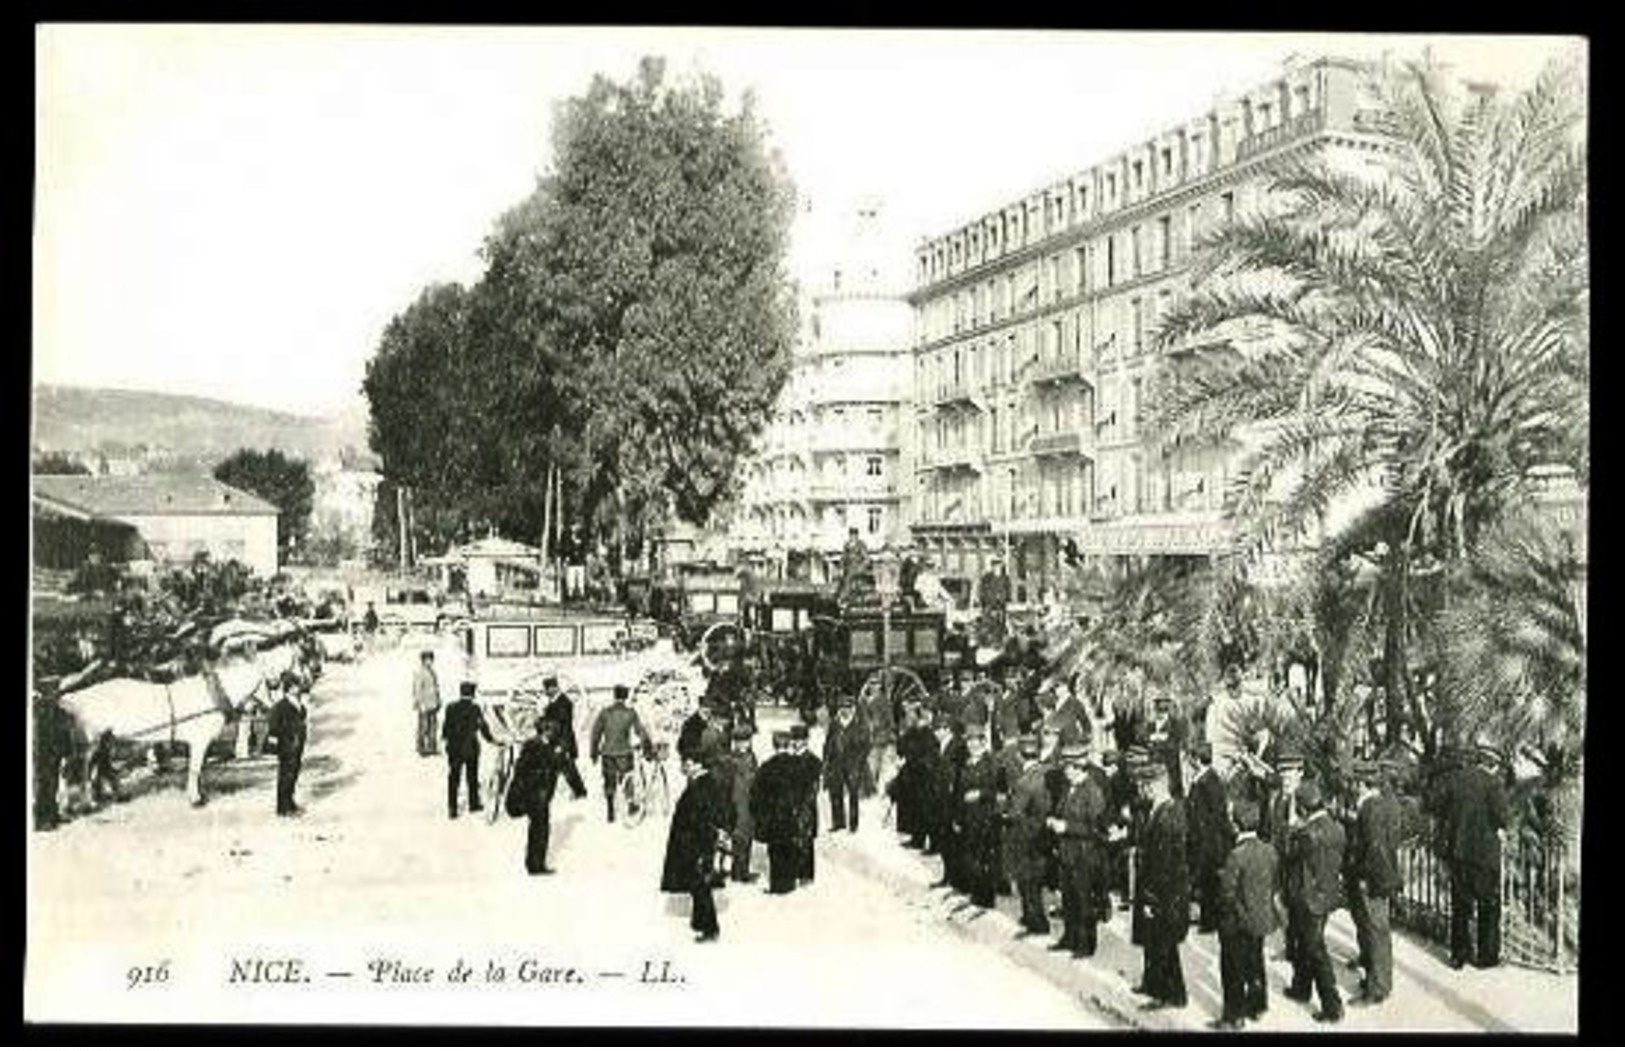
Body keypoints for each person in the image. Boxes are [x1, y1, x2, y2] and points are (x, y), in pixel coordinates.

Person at [1431, 743, 1509, 969]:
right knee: (1488, 906)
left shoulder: (1457, 778)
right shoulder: (1494, 784)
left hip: (1458, 851)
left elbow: (1438, 806)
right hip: (1484, 855)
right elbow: (1502, 817)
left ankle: (1458, 956)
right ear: (1493, 764)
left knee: (1460, 906)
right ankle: (1487, 957)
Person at [1284, 779, 1346, 1023]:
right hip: (1326, 893)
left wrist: (1292, 827)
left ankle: (1332, 1006)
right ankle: (1301, 987)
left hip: (1308, 897)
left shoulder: (1307, 833)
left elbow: (1288, 854)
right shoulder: (1336, 827)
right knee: (1303, 942)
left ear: (1302, 807)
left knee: (1314, 949)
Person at [1214, 798, 1278, 1030]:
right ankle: (1258, 1006)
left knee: (1232, 968)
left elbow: (1227, 894)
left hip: (1237, 922)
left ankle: (1234, 1016)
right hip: (1260, 917)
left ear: (1236, 824)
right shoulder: (1270, 850)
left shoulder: (1235, 855)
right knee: (1255, 963)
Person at [1134, 760, 1190, 1009]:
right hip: (1160, 891)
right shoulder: (1161, 809)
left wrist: (1152, 900)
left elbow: (1165, 866)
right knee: (1154, 941)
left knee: (1165, 945)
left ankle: (1172, 995)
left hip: (1164, 894)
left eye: (1143, 786)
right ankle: (1153, 984)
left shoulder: (1168, 815)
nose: (1140, 791)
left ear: (1153, 786)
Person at [1348, 758, 1403, 1006]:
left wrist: (1364, 877)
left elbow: (1374, 850)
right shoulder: (1383, 805)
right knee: (1376, 930)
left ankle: (1377, 988)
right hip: (1382, 876)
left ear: (1361, 783)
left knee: (1376, 931)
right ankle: (1375, 979)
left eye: (1354, 782)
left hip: (1373, 879)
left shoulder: (1370, 809)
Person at [661, 751, 732, 943]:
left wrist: (709, 840)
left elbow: (703, 820)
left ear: (699, 765)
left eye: (688, 763)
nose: (684, 766)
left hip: (697, 845)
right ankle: (700, 922)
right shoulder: (703, 783)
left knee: (700, 886)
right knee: (698, 885)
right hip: (695, 843)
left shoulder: (702, 787)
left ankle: (710, 929)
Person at [1046, 741, 1107, 957]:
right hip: (1068, 853)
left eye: (1067, 767)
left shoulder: (1093, 792)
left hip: (1085, 855)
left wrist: (1066, 827)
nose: (1065, 771)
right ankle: (1069, 937)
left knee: (1083, 901)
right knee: (1069, 898)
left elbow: (1097, 829)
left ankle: (1085, 944)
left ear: (1077, 767)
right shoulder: (1068, 789)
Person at [1185, 742, 1235, 933]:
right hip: (1202, 838)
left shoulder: (1208, 782)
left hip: (1208, 840)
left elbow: (1216, 814)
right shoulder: (1205, 779)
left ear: (1196, 760)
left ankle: (1210, 920)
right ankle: (1207, 917)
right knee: (1205, 880)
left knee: (1209, 880)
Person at [510, 718, 571, 874]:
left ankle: (534, 864)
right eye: (552, 731)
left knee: (538, 829)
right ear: (545, 731)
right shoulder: (536, 746)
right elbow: (524, 770)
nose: (554, 734)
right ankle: (536, 865)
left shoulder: (535, 745)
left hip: (540, 794)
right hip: (535, 794)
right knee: (539, 829)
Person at [1008, 733, 1053, 937]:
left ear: (1020, 755)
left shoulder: (1024, 782)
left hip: (1026, 835)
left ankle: (1036, 921)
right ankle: (1033, 917)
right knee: (1036, 879)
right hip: (1044, 833)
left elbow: (1015, 813)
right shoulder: (1047, 773)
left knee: (1027, 880)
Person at [589, 683, 653, 823]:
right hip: (624, 752)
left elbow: (596, 733)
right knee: (627, 779)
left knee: (609, 781)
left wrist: (594, 751)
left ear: (614, 696)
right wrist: (647, 747)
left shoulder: (605, 712)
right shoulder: (630, 713)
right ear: (626, 696)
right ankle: (630, 805)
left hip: (607, 753)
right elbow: (640, 731)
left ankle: (610, 809)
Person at [750, 731, 801, 894]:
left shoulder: (767, 766)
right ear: (789, 745)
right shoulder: (797, 764)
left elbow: (757, 793)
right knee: (790, 847)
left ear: (774, 745)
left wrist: (759, 814)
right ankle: (791, 882)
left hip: (773, 815)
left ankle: (778, 885)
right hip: (791, 814)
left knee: (775, 850)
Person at [442, 681, 495, 818]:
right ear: (472, 694)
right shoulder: (475, 708)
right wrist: (493, 740)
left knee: (454, 778)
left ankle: (452, 808)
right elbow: (483, 728)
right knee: (472, 777)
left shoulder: (450, 708)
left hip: (454, 749)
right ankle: (473, 804)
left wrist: (448, 742)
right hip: (471, 748)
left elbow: (446, 729)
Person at [264, 671, 309, 817]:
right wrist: (283, 738)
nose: (298, 688)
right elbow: (273, 726)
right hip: (287, 745)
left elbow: (302, 717)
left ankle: (290, 802)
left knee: (294, 773)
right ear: (289, 688)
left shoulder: (298, 702)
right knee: (286, 775)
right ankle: (282, 808)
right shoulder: (280, 706)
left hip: (297, 745)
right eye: (295, 685)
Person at [717, 725, 758, 882]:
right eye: (741, 742)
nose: (744, 745)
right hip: (736, 803)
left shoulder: (751, 756)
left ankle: (743, 870)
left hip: (749, 802)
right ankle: (738, 872)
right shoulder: (730, 760)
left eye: (746, 741)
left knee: (747, 836)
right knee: (739, 837)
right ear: (735, 743)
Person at [823, 697, 869, 832]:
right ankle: (838, 822)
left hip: (852, 764)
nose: (844, 711)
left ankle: (853, 825)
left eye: (848, 708)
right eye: (842, 708)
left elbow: (866, 745)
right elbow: (828, 742)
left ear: (853, 709)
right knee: (835, 792)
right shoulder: (835, 723)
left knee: (853, 794)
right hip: (836, 763)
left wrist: (859, 761)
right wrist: (826, 759)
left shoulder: (860, 724)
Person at [540, 675, 590, 800]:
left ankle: (579, 793)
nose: (545, 692)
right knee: (561, 770)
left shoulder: (562, 703)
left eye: (547, 689)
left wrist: (561, 745)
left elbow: (562, 726)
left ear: (553, 689)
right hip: (559, 743)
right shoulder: (558, 702)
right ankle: (579, 792)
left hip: (561, 743)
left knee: (563, 770)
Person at [789, 724, 822, 885]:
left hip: (806, 808)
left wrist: (803, 806)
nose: (796, 743)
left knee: (806, 841)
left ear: (806, 741)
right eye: (794, 739)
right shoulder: (789, 760)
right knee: (793, 839)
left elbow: (813, 790)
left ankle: (806, 875)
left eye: (800, 740)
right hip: (792, 806)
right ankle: (795, 871)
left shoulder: (814, 761)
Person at [411, 651, 441, 757]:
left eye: (431, 659)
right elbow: (417, 690)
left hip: (433, 703)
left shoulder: (432, 672)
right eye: (427, 659)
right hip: (424, 704)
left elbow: (436, 688)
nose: (429, 661)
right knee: (423, 726)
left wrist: (438, 701)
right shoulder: (420, 673)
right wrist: (419, 703)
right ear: (423, 660)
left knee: (433, 726)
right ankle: (422, 748)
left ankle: (432, 747)